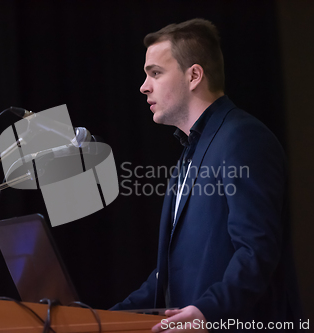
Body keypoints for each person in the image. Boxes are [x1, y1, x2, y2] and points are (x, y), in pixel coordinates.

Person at [111, 19, 302, 332]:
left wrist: (206, 312)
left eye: (155, 73)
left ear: (194, 75)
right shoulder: (190, 152)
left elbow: (256, 250)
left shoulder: (243, 138)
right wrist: (100, 318)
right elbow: (169, 274)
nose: (144, 86)